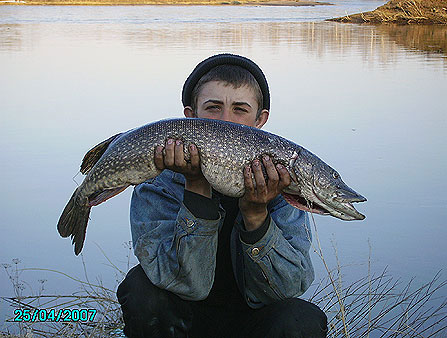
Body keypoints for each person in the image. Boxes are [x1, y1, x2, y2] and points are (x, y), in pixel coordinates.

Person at [117, 54, 328, 338]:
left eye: (240, 109)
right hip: (184, 321)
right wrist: (196, 188)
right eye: (213, 108)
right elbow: (188, 284)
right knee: (141, 290)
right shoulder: (158, 184)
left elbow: (288, 288)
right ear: (190, 118)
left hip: (251, 324)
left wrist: (256, 215)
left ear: (259, 120)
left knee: (302, 318)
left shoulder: (281, 188)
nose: (226, 120)